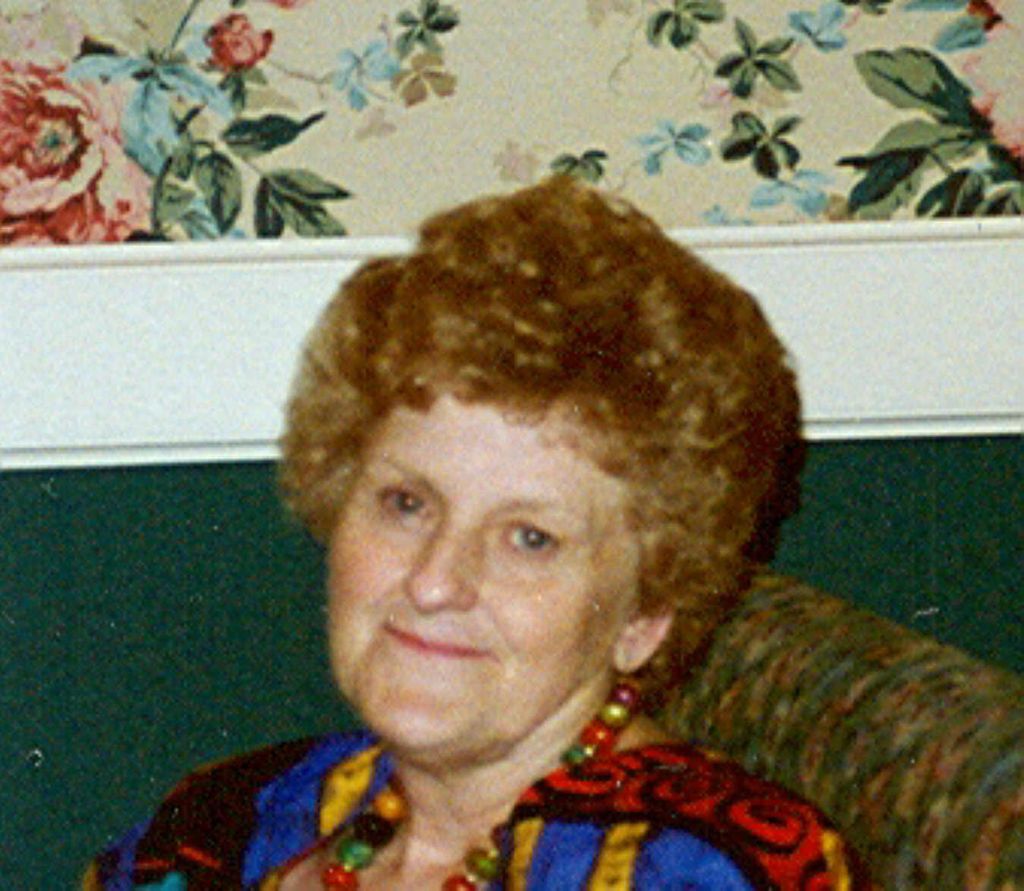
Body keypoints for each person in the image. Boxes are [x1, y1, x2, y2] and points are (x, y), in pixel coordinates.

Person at [84, 177, 867, 889]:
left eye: (529, 538)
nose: (434, 581)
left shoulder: (710, 873)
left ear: (644, 614)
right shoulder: (219, 828)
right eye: (406, 503)